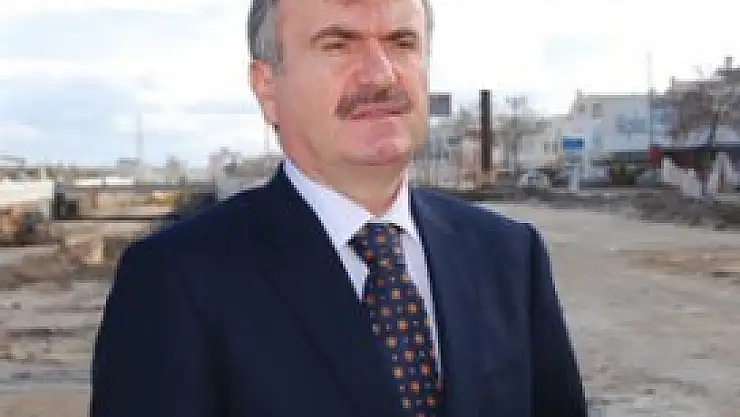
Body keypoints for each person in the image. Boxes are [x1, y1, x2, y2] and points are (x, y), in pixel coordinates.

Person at [89, 0, 588, 416]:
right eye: (337, 43)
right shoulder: (176, 279)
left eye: (402, 42)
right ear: (267, 87)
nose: (380, 74)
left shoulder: (510, 256)